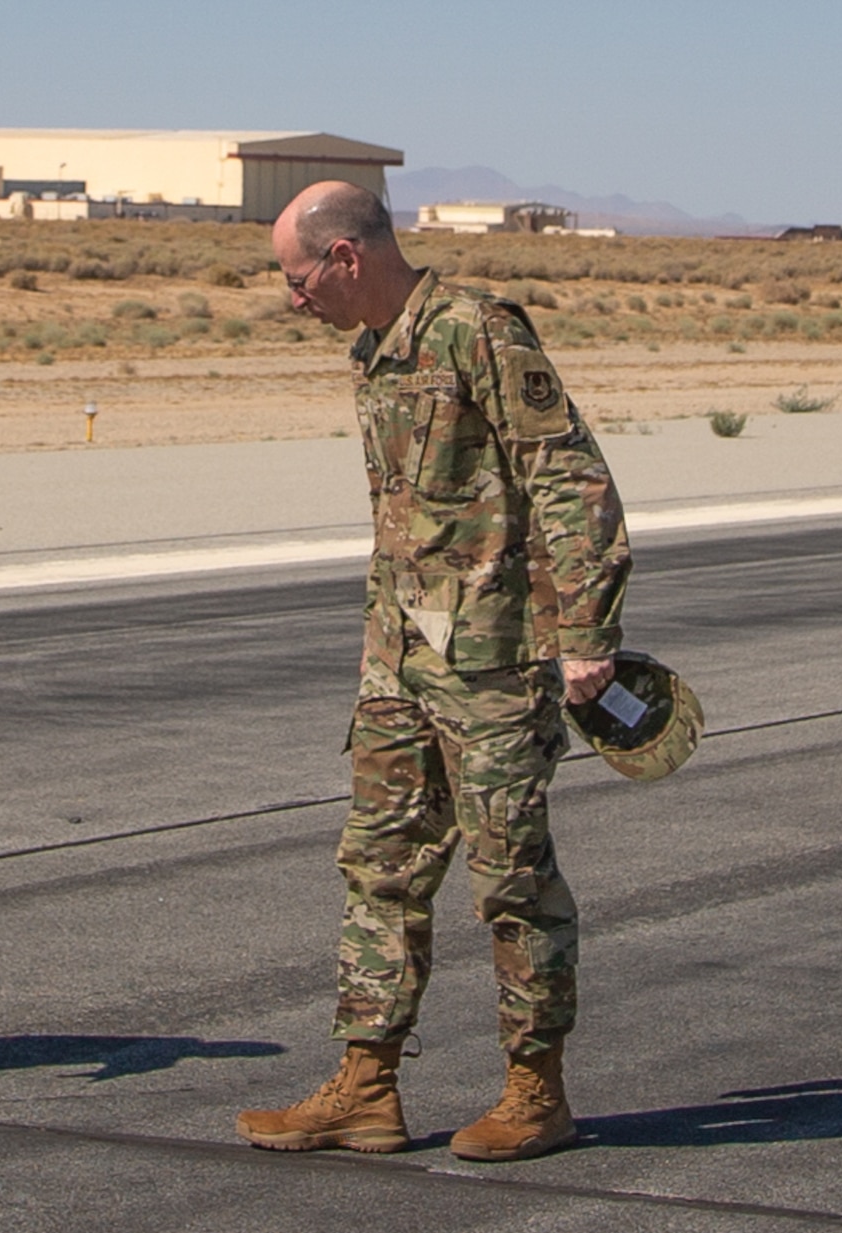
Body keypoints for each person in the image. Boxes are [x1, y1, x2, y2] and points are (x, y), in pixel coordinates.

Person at [235, 181, 630, 1161]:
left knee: (509, 881)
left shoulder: (473, 331)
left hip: (493, 667)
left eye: (295, 279)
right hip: (399, 664)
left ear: (344, 260)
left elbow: (568, 479)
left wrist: (584, 632)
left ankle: (535, 1091)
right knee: (377, 868)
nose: (290, 299)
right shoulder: (371, 353)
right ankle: (364, 1086)